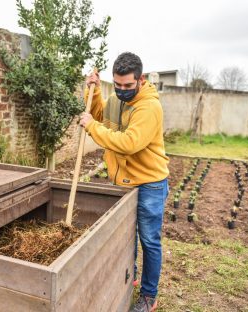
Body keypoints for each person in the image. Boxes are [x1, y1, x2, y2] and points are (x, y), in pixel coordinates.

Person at [80, 52, 169, 312]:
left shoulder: (148, 107)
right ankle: (131, 278)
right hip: (125, 181)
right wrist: (94, 92)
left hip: (149, 183)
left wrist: (91, 128)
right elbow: (97, 115)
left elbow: (129, 143)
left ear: (140, 80)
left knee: (149, 240)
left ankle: (149, 297)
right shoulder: (117, 100)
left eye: (128, 86)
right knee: (126, 237)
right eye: (117, 85)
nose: (121, 91)